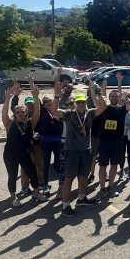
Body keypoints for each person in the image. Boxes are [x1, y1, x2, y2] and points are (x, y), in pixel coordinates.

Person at [48, 80, 97, 217]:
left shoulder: (90, 113)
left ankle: (81, 198)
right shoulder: (69, 114)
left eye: (83, 102)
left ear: (85, 104)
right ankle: (65, 207)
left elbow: (102, 108)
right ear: (75, 104)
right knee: (68, 178)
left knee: (83, 176)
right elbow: (54, 111)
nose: (81, 104)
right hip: (72, 151)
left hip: (85, 150)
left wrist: (95, 92)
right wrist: (57, 96)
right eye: (79, 102)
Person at [1, 85, 46, 206]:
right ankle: (13, 197)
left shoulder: (31, 123)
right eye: (18, 112)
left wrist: (36, 97)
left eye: (23, 112)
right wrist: (7, 99)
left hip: (25, 153)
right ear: (14, 114)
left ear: (26, 112)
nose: (20, 114)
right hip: (11, 154)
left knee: (32, 173)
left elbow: (37, 111)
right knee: (13, 174)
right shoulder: (9, 124)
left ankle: (36, 192)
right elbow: (4, 113)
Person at [93, 73, 130, 199]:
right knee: (103, 166)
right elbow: (98, 98)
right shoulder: (104, 108)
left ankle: (110, 187)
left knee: (114, 165)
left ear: (119, 97)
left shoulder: (122, 109)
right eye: (112, 96)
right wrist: (96, 88)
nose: (114, 97)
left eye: (116, 96)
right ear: (109, 97)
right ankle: (102, 188)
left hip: (117, 142)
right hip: (104, 142)